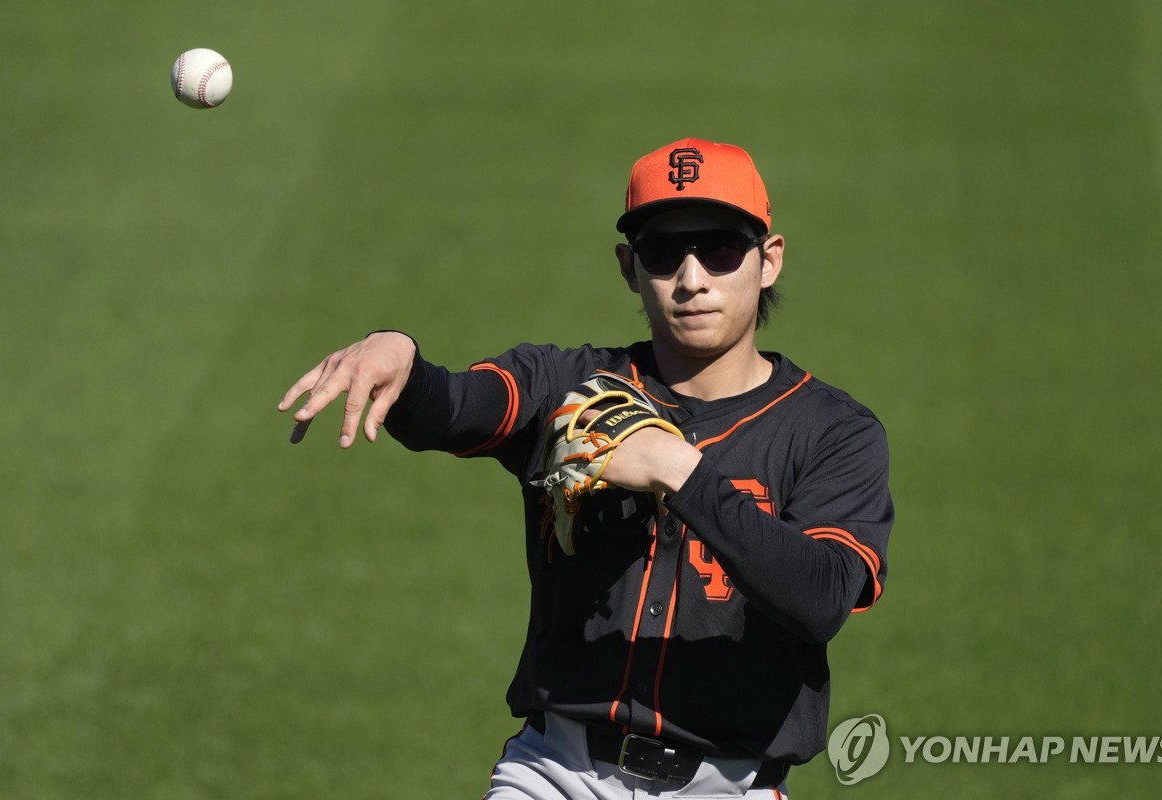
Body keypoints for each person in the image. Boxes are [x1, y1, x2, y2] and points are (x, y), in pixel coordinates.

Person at [278, 137, 894, 798]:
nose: (692, 279)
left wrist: (682, 474)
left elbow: (824, 596)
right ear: (630, 268)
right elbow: (454, 408)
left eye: (720, 248)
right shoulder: (565, 386)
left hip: (730, 787)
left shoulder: (832, 432)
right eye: (663, 254)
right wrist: (399, 351)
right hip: (555, 775)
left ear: (768, 260)